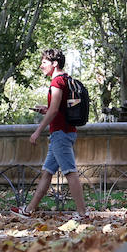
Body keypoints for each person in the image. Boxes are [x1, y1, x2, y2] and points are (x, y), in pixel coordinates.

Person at [16, 48, 87, 218]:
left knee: (70, 173)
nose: (41, 66)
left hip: (60, 134)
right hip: (63, 133)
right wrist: (46, 109)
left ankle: (83, 213)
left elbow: (54, 110)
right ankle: (28, 210)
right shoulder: (66, 79)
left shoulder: (57, 82)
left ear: (54, 64)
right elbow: (58, 109)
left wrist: (37, 131)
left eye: (44, 62)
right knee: (47, 172)